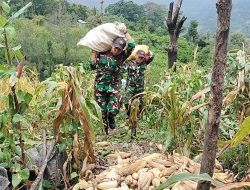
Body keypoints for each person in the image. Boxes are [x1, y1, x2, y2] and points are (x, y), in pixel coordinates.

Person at [90, 32, 135, 134]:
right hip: (100, 88)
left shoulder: (121, 56)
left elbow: (132, 45)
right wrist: (93, 53)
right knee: (102, 112)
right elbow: (92, 66)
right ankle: (105, 131)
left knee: (113, 109)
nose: (116, 51)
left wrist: (125, 32)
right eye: (115, 48)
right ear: (112, 45)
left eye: (119, 49)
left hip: (113, 87)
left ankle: (111, 117)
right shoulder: (101, 53)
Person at [123, 49, 154, 126]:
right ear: (135, 56)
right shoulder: (130, 63)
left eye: (142, 57)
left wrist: (147, 51)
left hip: (139, 88)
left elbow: (152, 56)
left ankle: (138, 115)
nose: (140, 59)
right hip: (130, 87)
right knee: (126, 101)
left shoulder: (144, 63)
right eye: (139, 57)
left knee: (139, 103)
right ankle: (128, 113)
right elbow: (123, 69)